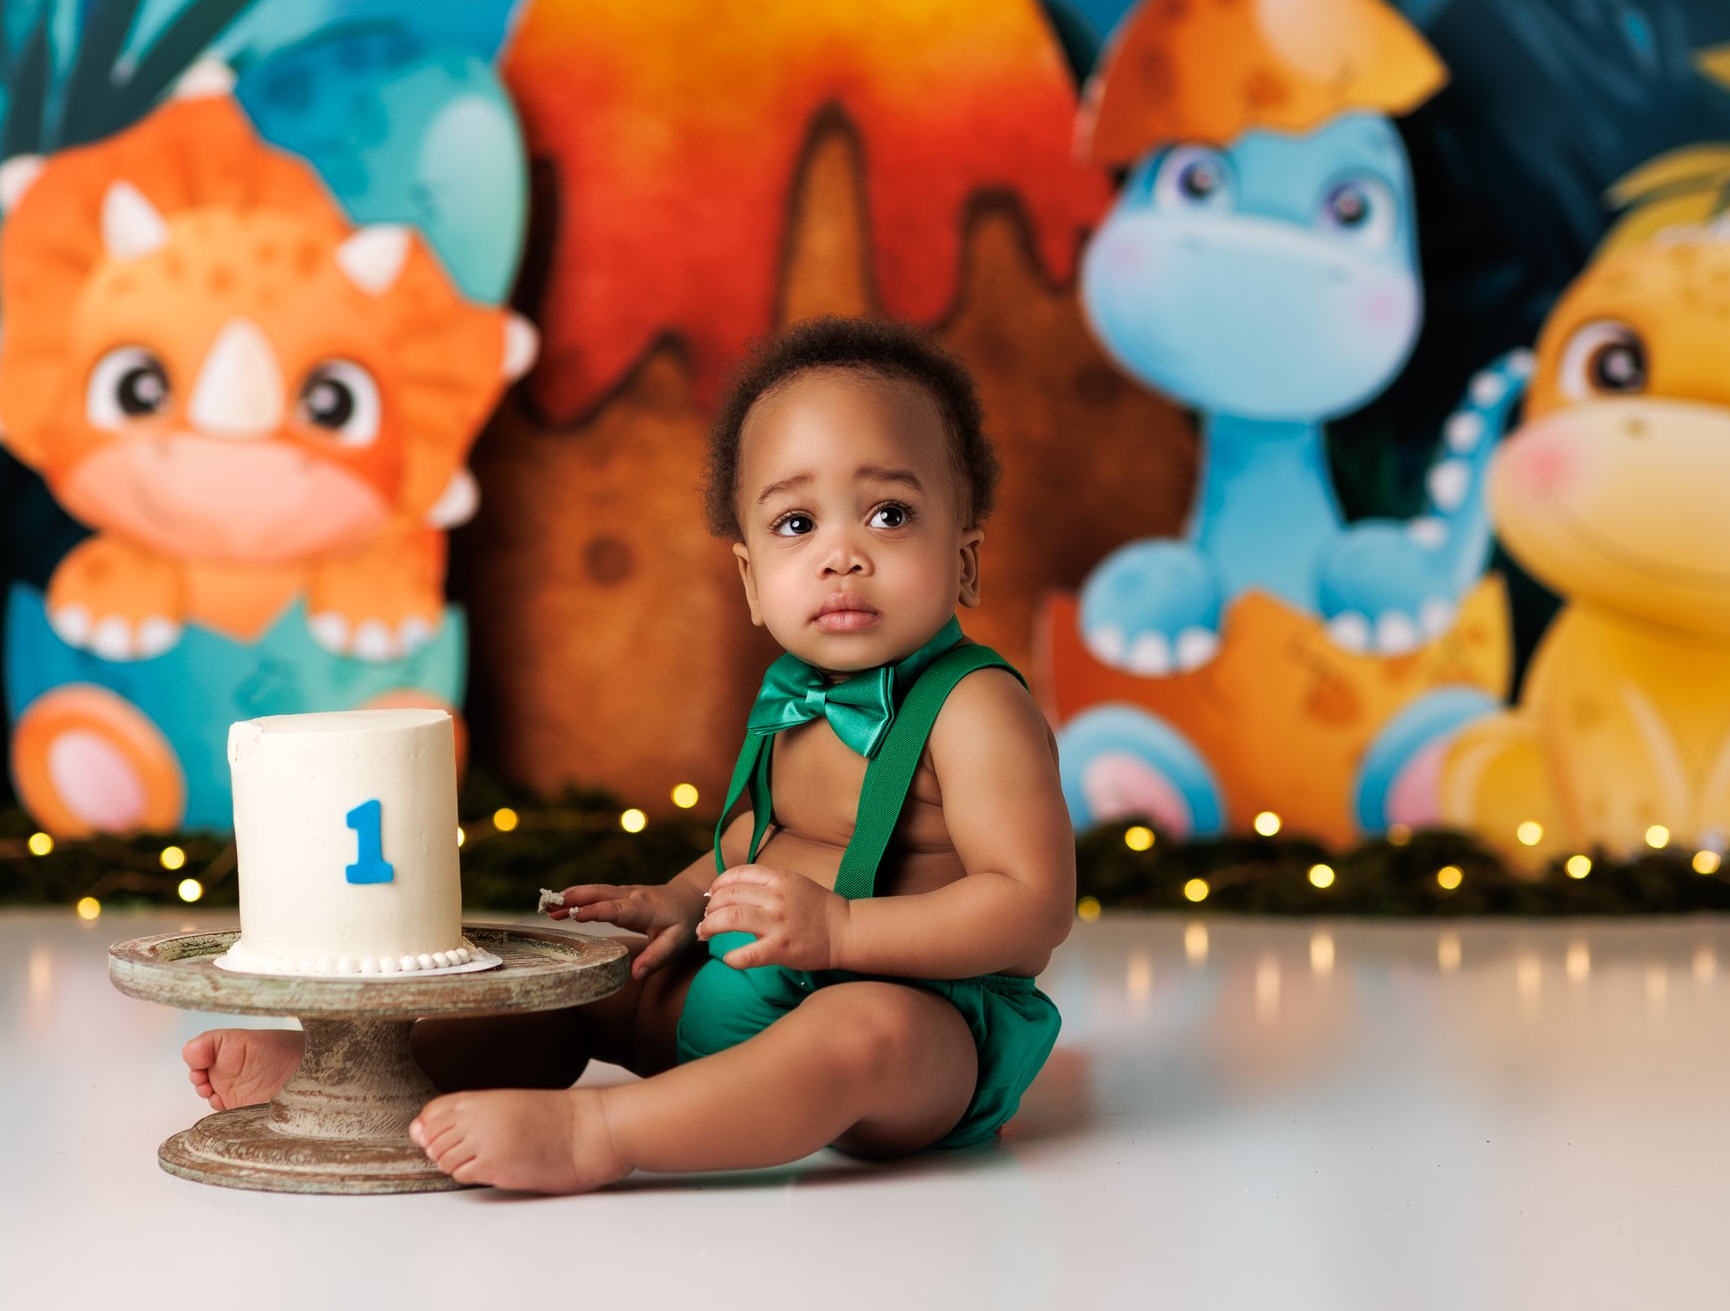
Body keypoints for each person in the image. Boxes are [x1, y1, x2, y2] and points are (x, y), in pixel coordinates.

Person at [182, 315, 1075, 1192]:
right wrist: (679, 898)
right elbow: (752, 844)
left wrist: (843, 932)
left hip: (925, 1021)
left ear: (963, 562)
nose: (841, 554)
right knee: (585, 981)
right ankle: (352, 1075)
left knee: (860, 1032)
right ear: (751, 579)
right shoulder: (793, 697)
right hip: (758, 987)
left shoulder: (973, 705)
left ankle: (601, 1131)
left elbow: (1031, 906)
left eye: (888, 513)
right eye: (796, 523)